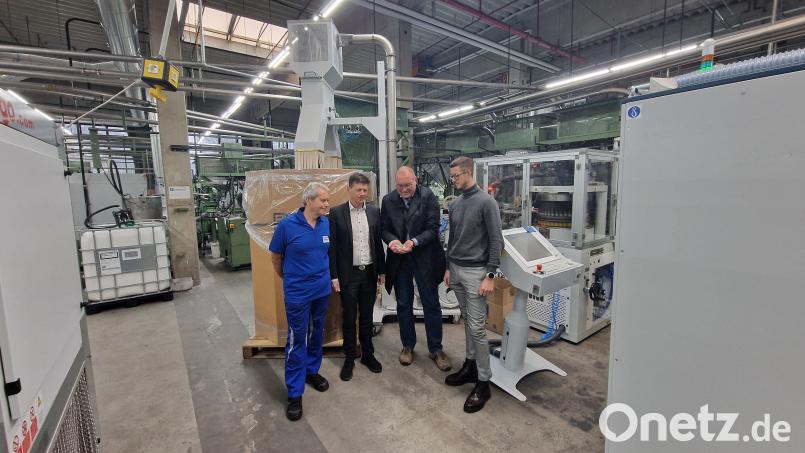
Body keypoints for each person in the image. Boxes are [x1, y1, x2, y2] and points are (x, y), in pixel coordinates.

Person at [443, 156, 503, 413]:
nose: (453, 180)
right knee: (468, 320)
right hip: (455, 270)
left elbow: (495, 240)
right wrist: (447, 267)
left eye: (456, 176)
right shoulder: (455, 203)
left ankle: (483, 382)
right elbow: (452, 237)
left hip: (476, 273)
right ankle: (469, 365)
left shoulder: (487, 203)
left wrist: (490, 275)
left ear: (468, 173)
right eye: (452, 176)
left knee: (477, 328)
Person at [268, 182, 332, 421]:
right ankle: (295, 393)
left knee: (317, 333)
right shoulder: (287, 226)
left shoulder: (326, 223)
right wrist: (290, 278)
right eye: (323, 200)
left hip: (321, 290)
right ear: (309, 201)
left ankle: (311, 371)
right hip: (298, 293)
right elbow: (276, 257)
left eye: (328, 200)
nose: (327, 204)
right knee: (297, 339)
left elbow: (325, 253)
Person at [380, 166, 451, 371]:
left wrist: (413, 242)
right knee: (403, 304)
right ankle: (407, 346)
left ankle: (436, 348)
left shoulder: (427, 196)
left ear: (416, 180)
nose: (403, 190)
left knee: (431, 303)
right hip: (400, 260)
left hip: (425, 257)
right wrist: (393, 242)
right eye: (400, 186)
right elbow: (384, 229)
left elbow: (432, 228)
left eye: (408, 185)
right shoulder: (388, 200)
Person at [328, 172, 385, 381]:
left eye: (365, 190)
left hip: (369, 272)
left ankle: (368, 355)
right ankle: (350, 357)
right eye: (358, 190)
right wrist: (334, 276)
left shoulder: (374, 212)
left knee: (368, 316)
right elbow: (332, 248)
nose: (362, 194)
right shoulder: (336, 214)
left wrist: (382, 271)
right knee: (349, 317)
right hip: (347, 275)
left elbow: (378, 244)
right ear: (349, 189)